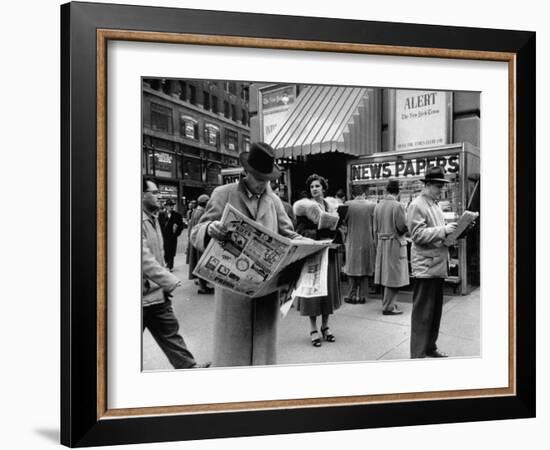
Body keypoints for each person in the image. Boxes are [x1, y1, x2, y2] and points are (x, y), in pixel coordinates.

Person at [190, 142, 300, 367]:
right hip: (234, 292)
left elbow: (290, 234)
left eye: (267, 180)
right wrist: (210, 229)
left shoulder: (274, 201)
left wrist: (306, 245)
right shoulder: (223, 194)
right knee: (233, 357)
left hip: (266, 291)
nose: (263, 185)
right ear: (246, 173)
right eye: (259, 179)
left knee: (262, 357)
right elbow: (196, 231)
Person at [142, 178, 209, 369]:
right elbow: (142, 257)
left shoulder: (153, 217)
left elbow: (158, 254)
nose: (159, 196)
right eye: (154, 193)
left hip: (156, 294)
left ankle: (190, 368)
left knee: (171, 333)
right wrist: (170, 280)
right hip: (141, 297)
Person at [406, 167, 457, 358]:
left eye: (441, 186)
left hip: (436, 264)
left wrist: (452, 234)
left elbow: (432, 233)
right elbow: (417, 235)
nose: (440, 190)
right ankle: (418, 353)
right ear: (426, 185)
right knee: (422, 313)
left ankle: (429, 347)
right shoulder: (417, 205)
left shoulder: (433, 204)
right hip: (426, 266)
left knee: (434, 312)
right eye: (437, 186)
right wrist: (444, 231)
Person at [293, 174, 342, 347]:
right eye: (312, 186)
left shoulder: (332, 206)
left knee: (327, 290)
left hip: (329, 251)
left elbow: (340, 228)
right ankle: (313, 328)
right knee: (314, 291)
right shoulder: (303, 208)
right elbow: (297, 231)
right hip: (313, 252)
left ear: (323, 188)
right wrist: (317, 233)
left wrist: (336, 230)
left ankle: (325, 326)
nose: (314, 189)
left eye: (317, 186)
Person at [374, 179, 409, 315]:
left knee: (385, 274)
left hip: (382, 243)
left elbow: (375, 227)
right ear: (398, 191)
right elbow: (401, 227)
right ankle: (389, 306)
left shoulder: (378, 205)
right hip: (394, 243)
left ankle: (387, 302)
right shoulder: (398, 205)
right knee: (394, 275)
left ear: (386, 190)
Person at [342, 193, 376, 304]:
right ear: (364, 194)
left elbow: (342, 222)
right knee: (365, 269)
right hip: (367, 240)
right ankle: (362, 296)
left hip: (352, 240)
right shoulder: (372, 205)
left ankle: (351, 295)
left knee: (352, 269)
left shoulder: (347, 205)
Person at [187, 194, 213, 294]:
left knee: (198, 262)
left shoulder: (195, 211)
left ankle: (201, 283)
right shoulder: (202, 212)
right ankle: (203, 287)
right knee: (202, 263)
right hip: (200, 241)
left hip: (195, 241)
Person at [158, 198, 185, 271]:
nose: (172, 207)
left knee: (171, 252)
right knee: (165, 251)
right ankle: (167, 262)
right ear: (166, 206)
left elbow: (181, 226)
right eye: (170, 205)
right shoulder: (161, 214)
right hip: (164, 236)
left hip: (172, 237)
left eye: (172, 205)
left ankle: (170, 266)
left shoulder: (177, 215)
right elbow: (159, 226)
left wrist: (176, 234)